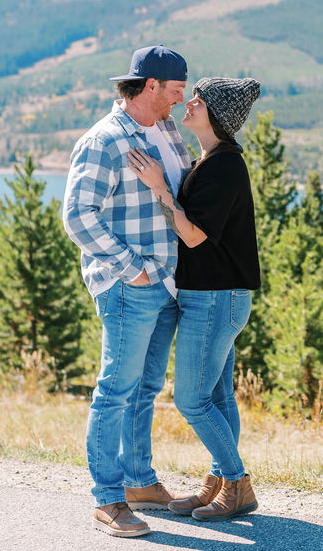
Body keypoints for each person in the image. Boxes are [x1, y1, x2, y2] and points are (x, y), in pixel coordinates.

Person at [62, 45, 192, 538]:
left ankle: (138, 481)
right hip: (129, 286)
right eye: (175, 91)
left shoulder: (168, 130)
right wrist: (131, 268)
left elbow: (174, 195)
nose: (181, 101)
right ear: (151, 86)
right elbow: (77, 216)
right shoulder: (105, 140)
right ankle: (108, 499)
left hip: (167, 284)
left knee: (145, 388)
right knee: (115, 390)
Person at [127, 76, 261, 522]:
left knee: (190, 399)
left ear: (217, 116)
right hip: (212, 296)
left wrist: (158, 187)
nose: (188, 103)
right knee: (219, 397)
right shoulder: (210, 160)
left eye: (199, 101)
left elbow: (192, 234)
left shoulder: (225, 166)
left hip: (215, 298)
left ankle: (237, 483)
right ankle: (217, 484)